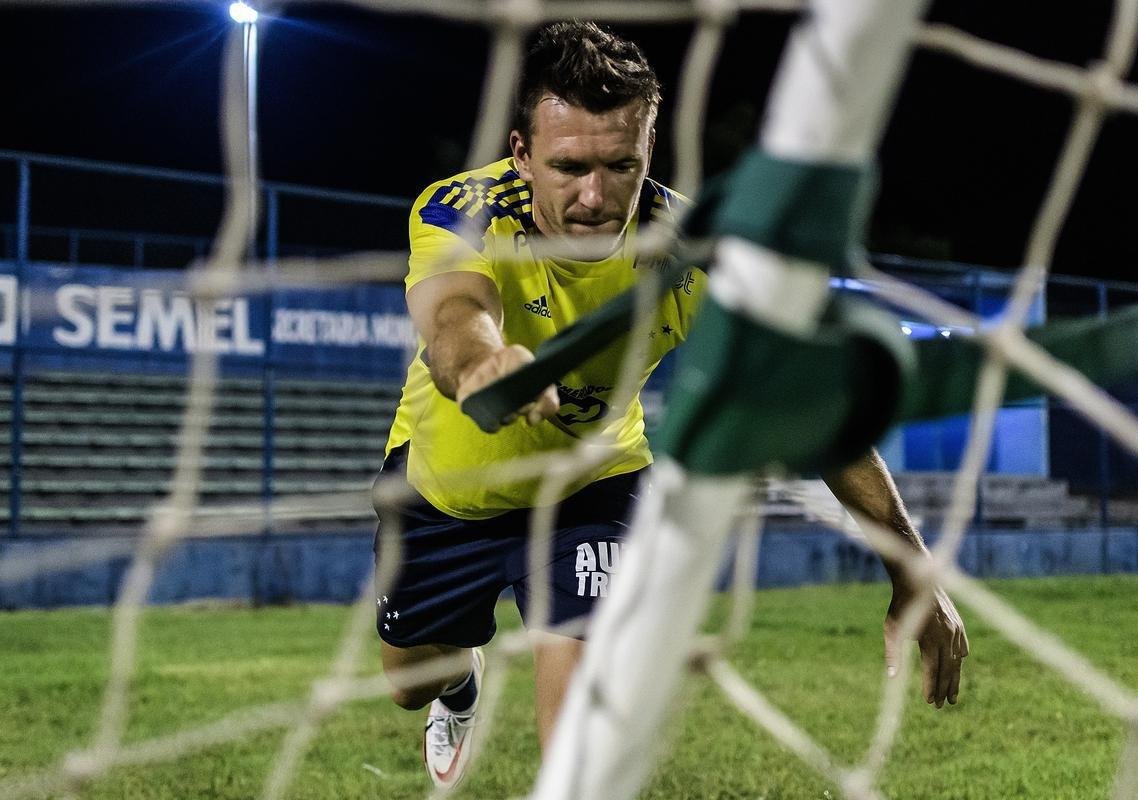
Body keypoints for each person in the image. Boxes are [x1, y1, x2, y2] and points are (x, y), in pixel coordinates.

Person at [372, 20, 967, 791]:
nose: (594, 197)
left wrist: (912, 568)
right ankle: (457, 686)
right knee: (408, 678)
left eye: (620, 165)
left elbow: (808, 407)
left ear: (650, 149)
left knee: (581, 750)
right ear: (521, 153)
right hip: (447, 492)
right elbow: (455, 315)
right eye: (569, 167)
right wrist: (485, 363)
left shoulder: (693, 249)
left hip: (591, 487)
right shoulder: (460, 210)